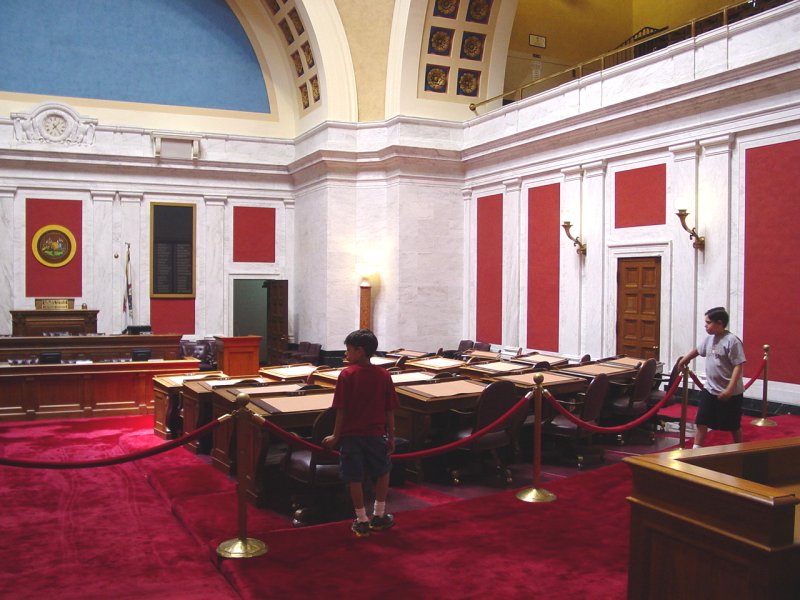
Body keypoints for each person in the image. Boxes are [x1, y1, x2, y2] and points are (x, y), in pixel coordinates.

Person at [322, 329, 399, 537]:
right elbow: (389, 409)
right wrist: (391, 436)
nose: (345, 354)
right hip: (376, 434)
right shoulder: (383, 375)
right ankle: (380, 515)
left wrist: (335, 436)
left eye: (348, 350)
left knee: (354, 477)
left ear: (360, 351)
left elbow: (341, 409)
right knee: (383, 472)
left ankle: (361, 519)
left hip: (351, 436)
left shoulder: (346, 375)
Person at [678, 306, 746, 447]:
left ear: (719, 323)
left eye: (708, 322)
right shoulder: (710, 339)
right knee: (701, 421)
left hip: (730, 393)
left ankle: (741, 451)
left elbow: (738, 366)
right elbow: (698, 350)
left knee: (733, 425)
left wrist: (729, 389)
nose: (705, 326)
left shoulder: (732, 341)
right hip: (710, 389)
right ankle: (696, 451)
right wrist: (685, 359)